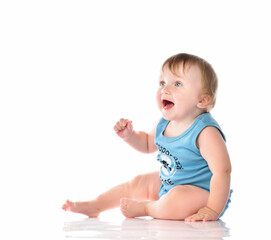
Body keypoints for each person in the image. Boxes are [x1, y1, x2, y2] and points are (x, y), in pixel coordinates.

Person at [62, 53, 232, 221]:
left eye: (177, 84)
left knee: (178, 197)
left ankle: (146, 208)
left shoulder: (205, 131)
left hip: (204, 195)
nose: (165, 89)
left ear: (202, 100)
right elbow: (148, 144)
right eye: (162, 83)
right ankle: (96, 205)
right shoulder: (165, 123)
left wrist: (212, 208)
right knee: (139, 182)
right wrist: (130, 136)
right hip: (170, 183)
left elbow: (222, 171)